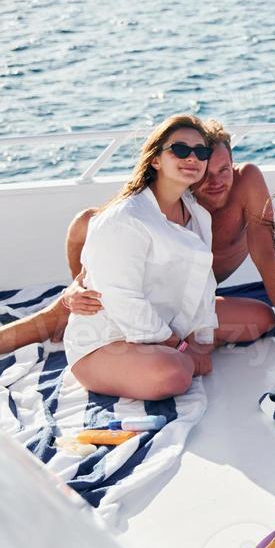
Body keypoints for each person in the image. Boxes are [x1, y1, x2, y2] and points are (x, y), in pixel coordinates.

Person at [0, 120, 275, 365]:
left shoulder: (244, 184)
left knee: (259, 319)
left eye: (218, 165)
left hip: (189, 301)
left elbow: (265, 259)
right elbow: (87, 226)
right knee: (49, 320)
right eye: (196, 162)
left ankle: (140, 334)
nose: (215, 179)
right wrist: (81, 287)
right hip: (133, 293)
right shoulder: (171, 197)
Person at [55, 114, 225, 400]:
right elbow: (121, 297)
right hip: (107, 340)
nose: (192, 157)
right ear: (156, 160)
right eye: (180, 150)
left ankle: (169, 352)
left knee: (258, 319)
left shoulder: (195, 212)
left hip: (163, 322)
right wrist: (182, 347)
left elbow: (203, 285)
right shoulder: (125, 218)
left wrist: (201, 341)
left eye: (201, 151)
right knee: (175, 372)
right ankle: (160, 358)